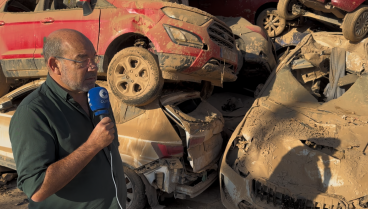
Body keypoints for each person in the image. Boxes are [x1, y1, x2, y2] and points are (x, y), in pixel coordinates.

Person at [9, 29, 126, 209]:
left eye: (94, 58)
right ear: (54, 65)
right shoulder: (32, 112)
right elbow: (37, 189)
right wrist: (92, 146)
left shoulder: (97, 97)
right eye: (81, 60)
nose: (93, 66)